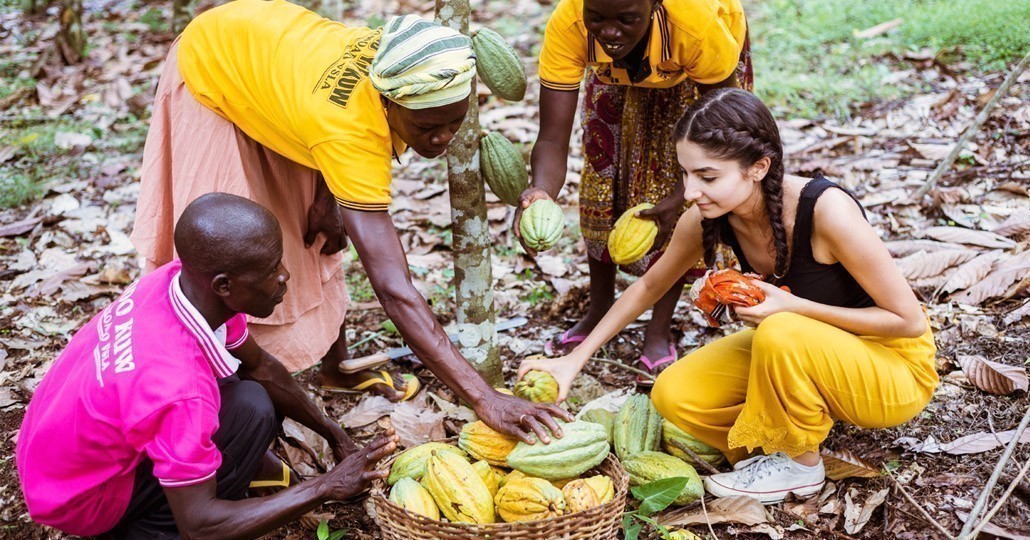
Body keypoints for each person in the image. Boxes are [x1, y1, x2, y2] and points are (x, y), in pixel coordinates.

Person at [130, 0, 573, 439]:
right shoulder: (348, 132)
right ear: (387, 102)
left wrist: (330, 193)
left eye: (454, 123)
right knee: (235, 243)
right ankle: (230, 410)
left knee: (319, 224)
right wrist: (484, 397)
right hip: (214, 63)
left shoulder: (407, 53)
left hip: (281, 65)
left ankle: (336, 367)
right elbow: (393, 289)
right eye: (425, 128)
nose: (442, 138)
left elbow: (332, 113)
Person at [519, 89, 938, 503]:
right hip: (807, 351)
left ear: (758, 167)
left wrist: (792, 307)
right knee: (674, 395)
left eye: (708, 177)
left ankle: (801, 468)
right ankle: (785, 435)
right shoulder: (705, 218)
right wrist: (574, 360)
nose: (689, 191)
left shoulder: (827, 212)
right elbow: (649, 286)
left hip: (892, 368)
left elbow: (908, 321)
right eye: (685, 173)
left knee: (780, 329)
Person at [17, 194, 400, 539]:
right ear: (223, 285)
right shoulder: (179, 389)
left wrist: (334, 434)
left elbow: (262, 367)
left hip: (54, 456)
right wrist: (326, 486)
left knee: (251, 400)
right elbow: (200, 525)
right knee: (243, 424)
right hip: (82, 498)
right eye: (269, 270)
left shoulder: (177, 285)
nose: (284, 275)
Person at [514, 0, 752, 382]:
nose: (609, 31)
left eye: (626, 19)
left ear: (654, 6)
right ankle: (600, 306)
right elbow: (552, 138)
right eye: (598, 18)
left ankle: (659, 326)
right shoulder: (571, 24)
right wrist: (540, 192)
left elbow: (720, 128)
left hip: (695, 82)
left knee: (675, 197)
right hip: (614, 76)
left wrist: (679, 197)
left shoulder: (694, 26)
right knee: (601, 176)